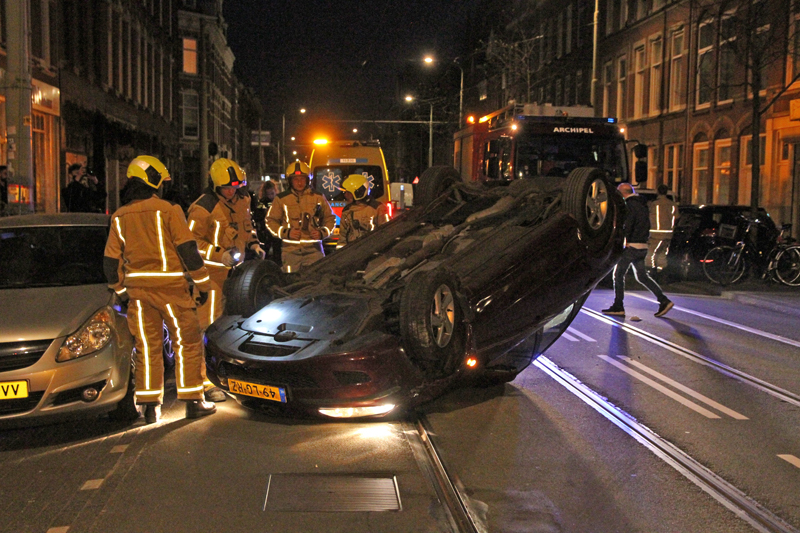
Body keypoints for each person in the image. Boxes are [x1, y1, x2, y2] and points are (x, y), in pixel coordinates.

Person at [103, 155, 216, 424]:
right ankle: (193, 401)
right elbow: (188, 249)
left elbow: (110, 261)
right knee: (187, 343)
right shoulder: (169, 210)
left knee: (147, 348)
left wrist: (120, 290)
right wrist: (203, 284)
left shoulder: (119, 216)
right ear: (151, 179)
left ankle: (149, 407)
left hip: (139, 296)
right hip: (173, 291)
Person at [187, 158, 264, 333]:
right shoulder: (202, 208)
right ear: (215, 186)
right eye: (226, 188)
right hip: (212, 276)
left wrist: (254, 245)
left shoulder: (243, 199)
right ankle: (205, 359)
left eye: (234, 187)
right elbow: (191, 242)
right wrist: (219, 255)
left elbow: (247, 226)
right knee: (209, 324)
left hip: (239, 274)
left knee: (236, 324)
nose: (231, 191)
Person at [603, 183, 674, 318]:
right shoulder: (643, 205)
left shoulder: (629, 205)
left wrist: (625, 240)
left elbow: (628, 224)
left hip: (632, 246)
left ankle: (618, 306)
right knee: (642, 276)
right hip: (642, 246)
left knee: (618, 275)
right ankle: (663, 300)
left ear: (623, 193)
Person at [266, 161, 335, 272]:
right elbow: (270, 222)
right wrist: (286, 233)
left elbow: (330, 219)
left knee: (316, 280)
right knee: (291, 282)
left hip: (314, 251)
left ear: (308, 180)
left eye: (302, 179)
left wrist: (322, 233)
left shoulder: (318, 197)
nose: (299, 183)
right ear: (290, 181)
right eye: (296, 179)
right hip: (290, 252)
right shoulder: (281, 199)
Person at [338, 174, 390, 246]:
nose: (345, 195)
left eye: (349, 192)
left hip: (371, 251)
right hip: (351, 252)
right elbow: (342, 237)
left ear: (359, 193)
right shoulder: (347, 211)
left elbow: (386, 234)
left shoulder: (378, 208)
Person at [646, 184, 678, 274]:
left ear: (658, 192)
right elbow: (677, 216)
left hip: (656, 233)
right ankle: (661, 271)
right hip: (669, 234)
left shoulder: (654, 204)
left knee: (651, 253)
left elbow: (649, 215)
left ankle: (651, 270)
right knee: (662, 253)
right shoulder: (672, 204)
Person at [251, 180, 282, 264]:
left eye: (272, 193)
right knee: (265, 252)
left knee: (278, 253)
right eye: (268, 194)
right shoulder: (262, 203)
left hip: (276, 231)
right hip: (265, 232)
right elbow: (257, 216)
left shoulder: (279, 201)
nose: (270, 196)